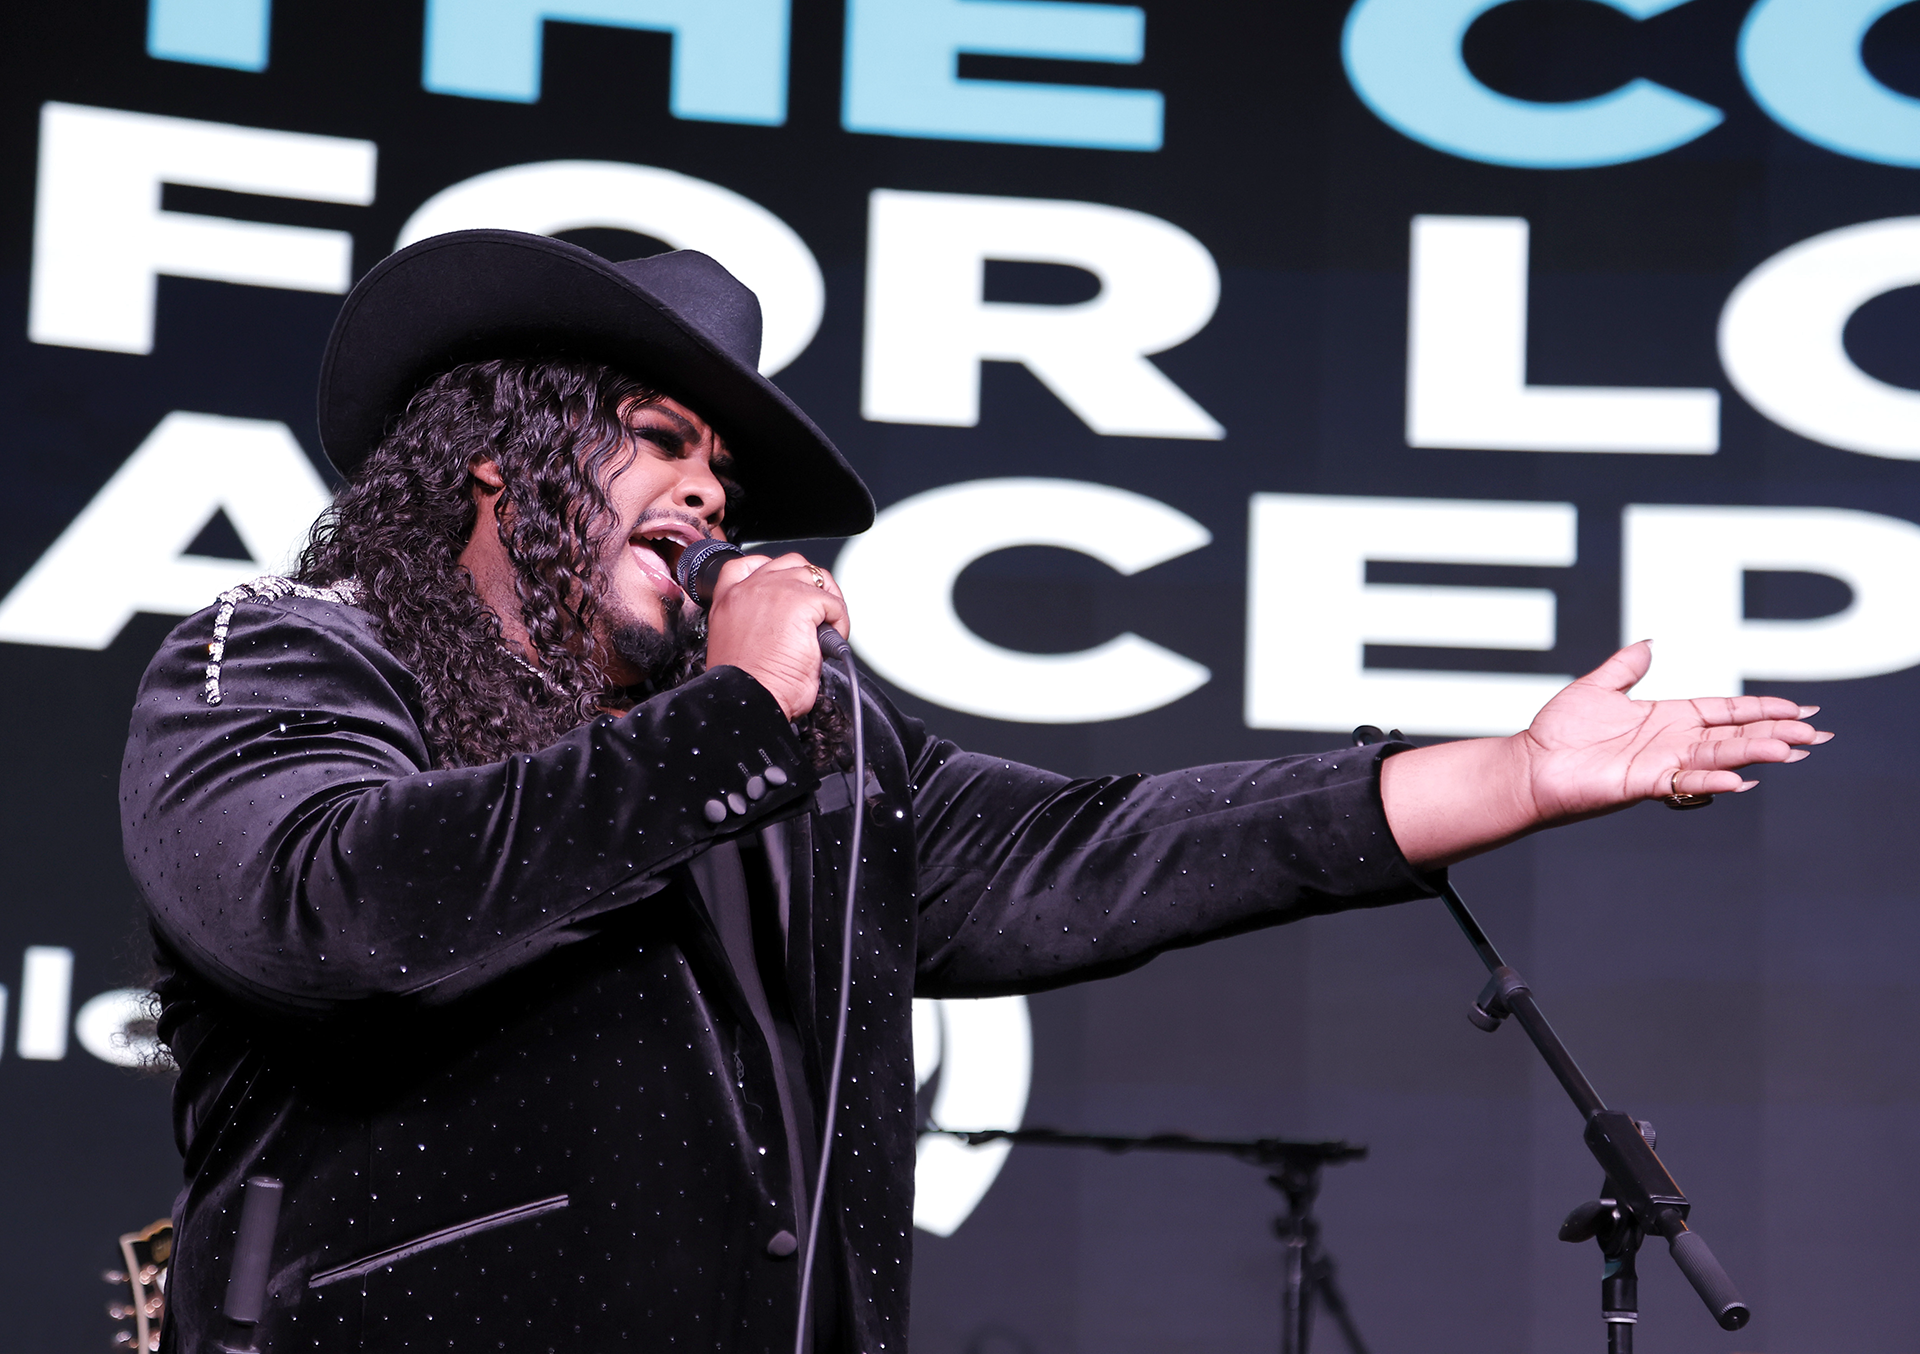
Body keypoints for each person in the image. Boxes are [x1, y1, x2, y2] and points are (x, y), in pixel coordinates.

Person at [120, 230, 1828, 1354]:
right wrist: (730, 715)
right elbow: (329, 909)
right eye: (663, 437)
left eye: (727, 470)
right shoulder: (284, 655)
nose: (712, 495)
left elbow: (1102, 850)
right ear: (498, 453)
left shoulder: (808, 750)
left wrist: (1510, 774)